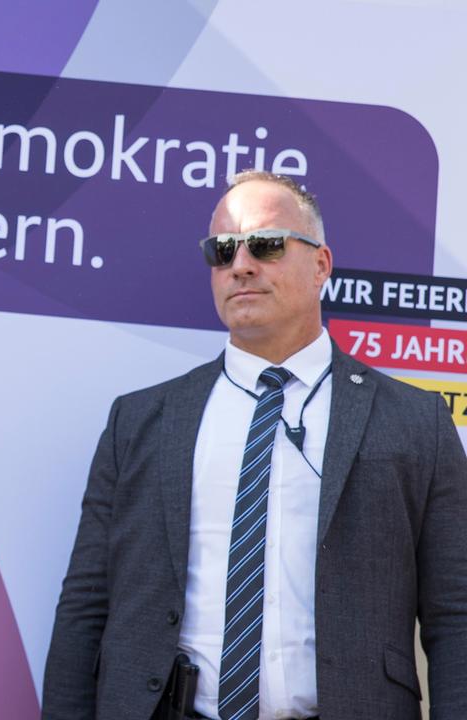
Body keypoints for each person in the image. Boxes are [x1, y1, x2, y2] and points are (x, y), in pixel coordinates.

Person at [42, 171, 467, 720]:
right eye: (222, 250)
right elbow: (85, 606)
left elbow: (456, 614)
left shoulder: (414, 421)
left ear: (321, 265)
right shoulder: (141, 421)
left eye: (266, 244)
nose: (240, 264)